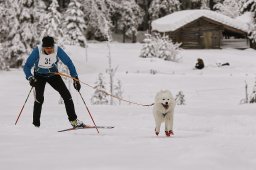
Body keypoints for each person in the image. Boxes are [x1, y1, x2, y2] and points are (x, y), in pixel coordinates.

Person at [23, 36, 84, 128]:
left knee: (67, 96)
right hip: (39, 76)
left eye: (51, 47)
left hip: (53, 75)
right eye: (47, 48)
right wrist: (30, 78)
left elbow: (69, 62)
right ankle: (35, 125)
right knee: (39, 99)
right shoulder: (37, 51)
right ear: (43, 47)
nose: (49, 50)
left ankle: (73, 121)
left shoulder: (57, 49)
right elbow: (27, 66)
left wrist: (75, 78)